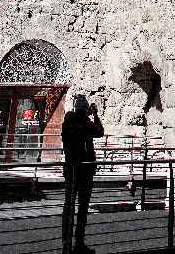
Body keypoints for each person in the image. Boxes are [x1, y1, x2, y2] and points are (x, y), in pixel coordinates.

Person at [61, 94, 104, 254]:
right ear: (85, 109)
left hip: (71, 170)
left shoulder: (68, 121)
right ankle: (78, 243)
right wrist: (95, 115)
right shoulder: (85, 122)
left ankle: (66, 243)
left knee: (69, 206)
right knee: (82, 208)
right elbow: (100, 132)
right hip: (84, 170)